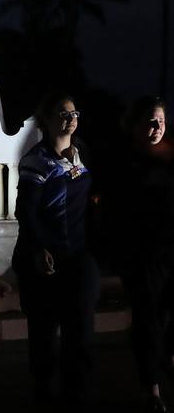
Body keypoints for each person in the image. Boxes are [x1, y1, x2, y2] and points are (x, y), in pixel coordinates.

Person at [12, 92, 99, 405]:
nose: (71, 118)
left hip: (78, 255)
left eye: (74, 113)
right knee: (45, 332)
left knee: (81, 332)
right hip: (44, 259)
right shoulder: (37, 160)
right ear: (46, 120)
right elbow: (26, 210)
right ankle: (45, 390)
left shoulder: (83, 153)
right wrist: (39, 247)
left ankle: (78, 394)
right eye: (63, 114)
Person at [117, 96, 174, 413]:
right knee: (148, 321)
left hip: (171, 251)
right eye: (151, 121)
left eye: (162, 121)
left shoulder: (171, 155)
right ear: (137, 125)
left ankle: (167, 357)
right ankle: (150, 388)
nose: (157, 127)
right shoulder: (128, 161)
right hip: (143, 255)